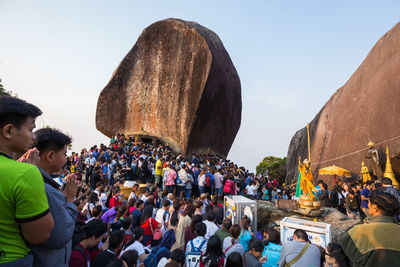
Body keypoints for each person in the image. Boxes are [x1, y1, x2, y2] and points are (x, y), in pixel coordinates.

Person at [0, 96, 54, 265]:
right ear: (8, 131)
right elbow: (39, 234)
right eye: (31, 129)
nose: (33, 137)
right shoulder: (26, 173)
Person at [29, 128, 79, 267]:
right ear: (50, 156)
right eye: (64, 154)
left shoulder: (39, 182)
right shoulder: (46, 190)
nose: (66, 159)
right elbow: (61, 235)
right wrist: (69, 200)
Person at [340, 191, 400, 266]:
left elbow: (342, 242)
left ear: (375, 207)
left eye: (369, 203)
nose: (368, 205)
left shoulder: (359, 231)